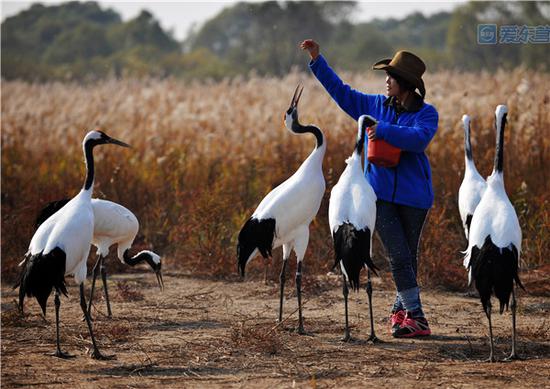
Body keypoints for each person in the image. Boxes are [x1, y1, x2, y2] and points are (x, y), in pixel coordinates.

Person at [301, 39, 438, 338]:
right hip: (379, 198)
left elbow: (419, 139)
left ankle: (400, 312)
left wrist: (383, 129)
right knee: (399, 256)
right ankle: (417, 317)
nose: (386, 81)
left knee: (408, 257)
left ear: (404, 83)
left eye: (391, 77)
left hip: (416, 199)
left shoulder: (427, 114)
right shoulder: (374, 105)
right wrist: (317, 60)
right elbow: (342, 93)